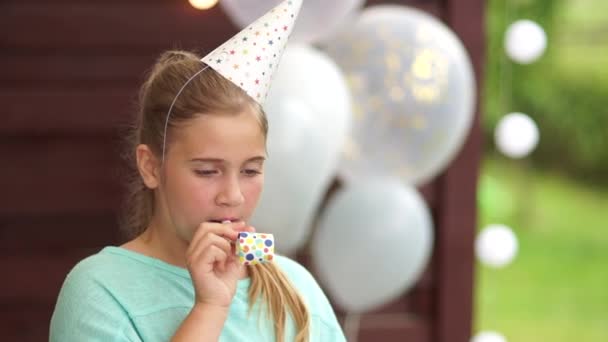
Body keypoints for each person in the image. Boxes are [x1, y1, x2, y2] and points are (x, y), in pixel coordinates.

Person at [49, 1, 346, 341]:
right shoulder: (100, 291)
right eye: (207, 171)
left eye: (250, 171)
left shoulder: (298, 287)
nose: (232, 195)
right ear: (150, 167)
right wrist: (211, 307)